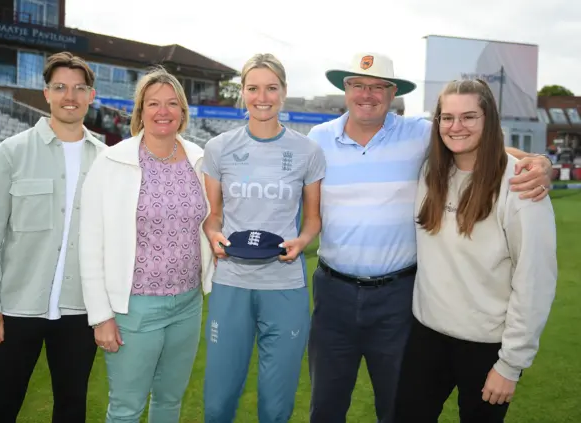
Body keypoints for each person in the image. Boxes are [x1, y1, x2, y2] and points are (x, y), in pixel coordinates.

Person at [305, 52, 553, 423]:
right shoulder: (318, 139)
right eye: (358, 85)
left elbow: (484, 147)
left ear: (393, 94)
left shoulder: (419, 134)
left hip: (397, 298)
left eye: (378, 87)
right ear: (346, 89)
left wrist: (539, 163)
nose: (367, 94)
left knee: (395, 408)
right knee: (327, 405)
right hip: (337, 294)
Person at [393, 79, 557, 423]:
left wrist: (510, 364)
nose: (456, 127)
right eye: (447, 117)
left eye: (469, 117)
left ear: (489, 120)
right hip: (427, 336)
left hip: (486, 347)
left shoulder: (521, 186)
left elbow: (535, 280)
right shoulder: (430, 172)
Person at [0, 51, 105, 423]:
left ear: (91, 96)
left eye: (79, 88)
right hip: (15, 309)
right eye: (60, 87)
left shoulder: (107, 160)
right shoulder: (12, 152)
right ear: (46, 93)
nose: (69, 96)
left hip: (80, 312)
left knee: (72, 409)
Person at [79, 67, 215, 423]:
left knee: (170, 402)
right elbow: (91, 245)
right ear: (140, 112)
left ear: (183, 113)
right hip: (133, 309)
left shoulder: (199, 161)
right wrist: (101, 317)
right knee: (126, 409)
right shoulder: (111, 162)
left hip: (187, 304)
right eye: (153, 103)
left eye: (172, 103)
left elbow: (210, 222)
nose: (163, 111)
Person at [201, 53, 326, 423]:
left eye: (271, 88)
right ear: (242, 92)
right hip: (232, 282)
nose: (262, 97)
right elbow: (213, 215)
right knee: (218, 402)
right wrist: (213, 234)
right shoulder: (219, 148)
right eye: (253, 88)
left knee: (276, 406)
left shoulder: (307, 151)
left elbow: (314, 219)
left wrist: (301, 242)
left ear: (284, 92)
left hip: (284, 286)